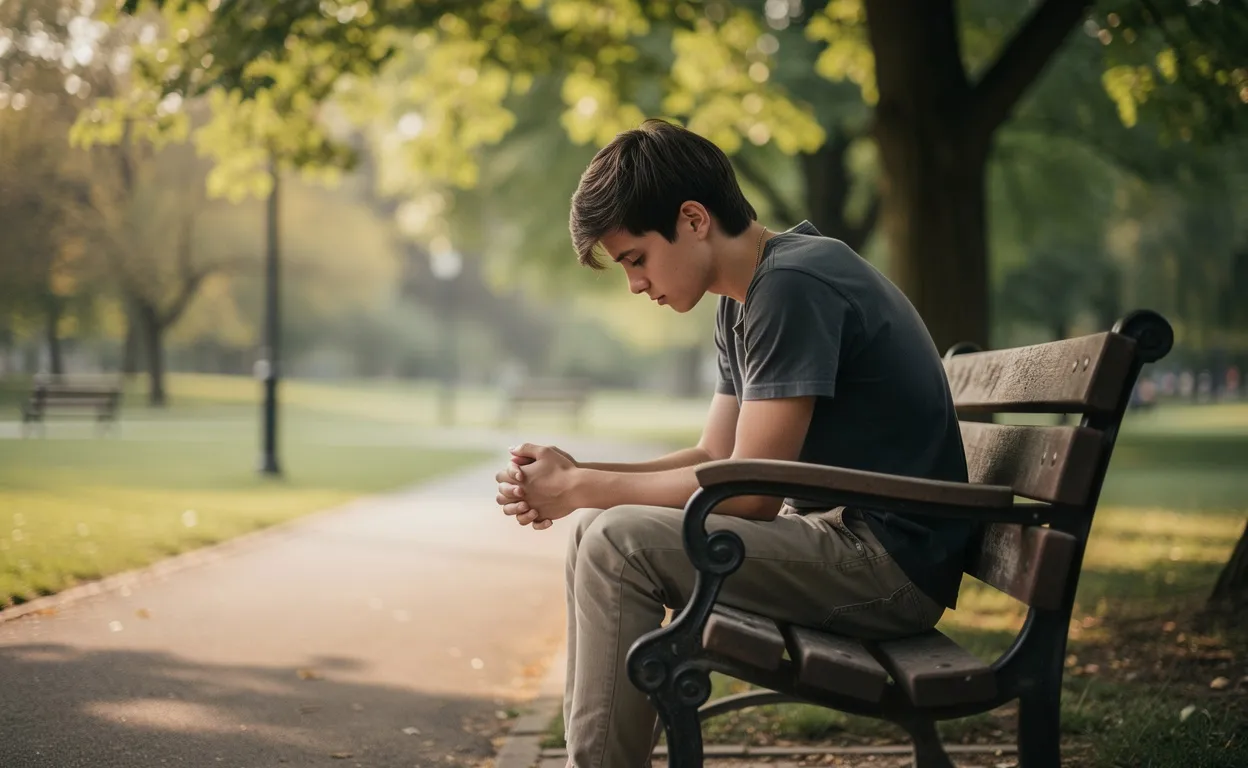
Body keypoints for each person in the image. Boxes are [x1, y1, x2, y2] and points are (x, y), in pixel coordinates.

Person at [493, 118, 971, 768]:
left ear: (693, 219)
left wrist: (582, 488)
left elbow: (750, 496)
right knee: (593, 529)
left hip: (887, 568)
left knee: (615, 542)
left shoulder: (794, 285)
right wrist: (579, 473)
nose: (635, 284)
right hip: (847, 537)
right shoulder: (745, 298)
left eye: (636, 258)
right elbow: (715, 459)